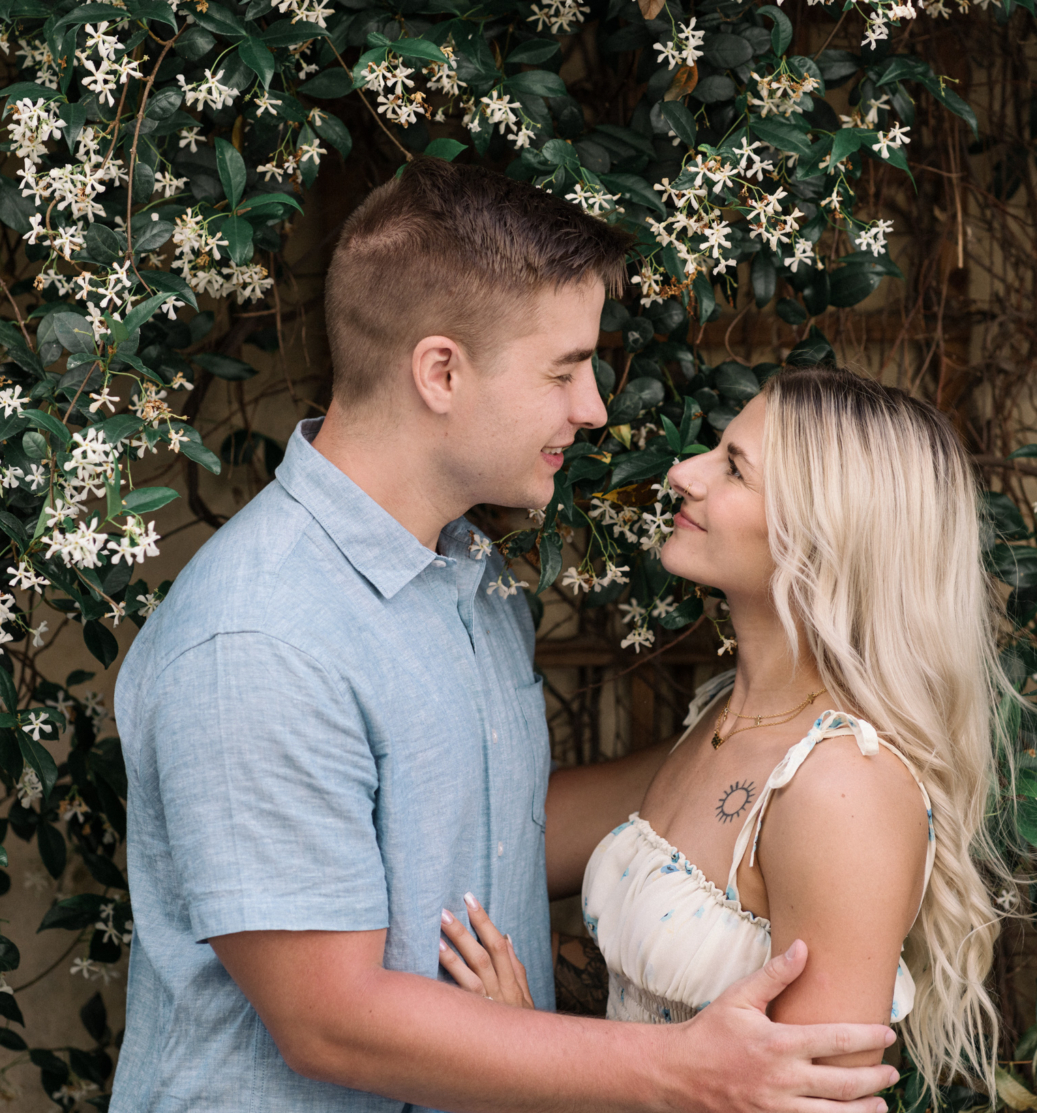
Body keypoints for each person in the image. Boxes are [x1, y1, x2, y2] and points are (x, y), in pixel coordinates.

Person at [110, 159, 905, 1113]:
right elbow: (329, 1017)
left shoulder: (466, 575)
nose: (596, 406)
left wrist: (784, 749)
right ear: (440, 371)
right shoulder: (258, 638)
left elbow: (500, 832)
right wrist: (683, 1070)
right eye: (564, 369)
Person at [442, 367, 1010, 1093]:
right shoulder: (721, 717)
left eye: (734, 468)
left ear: (822, 533)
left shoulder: (842, 787)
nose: (683, 471)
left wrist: (522, 1054)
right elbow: (513, 831)